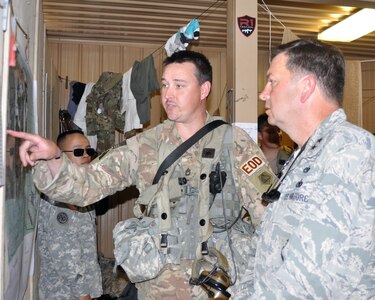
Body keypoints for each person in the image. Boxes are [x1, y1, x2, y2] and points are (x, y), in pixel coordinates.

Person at [7, 50, 278, 299]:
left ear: (204, 89)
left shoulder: (234, 143)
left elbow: (269, 216)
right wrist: (54, 158)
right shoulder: (146, 145)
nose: (168, 94)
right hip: (158, 289)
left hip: (217, 287)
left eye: (179, 85)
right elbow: (88, 185)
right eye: (165, 84)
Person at [254, 38, 375, 299]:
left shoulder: (349, 152)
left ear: (306, 87)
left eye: (272, 81)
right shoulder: (305, 155)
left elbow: (306, 283)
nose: (263, 93)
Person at [37, 129, 103, 300]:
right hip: (66, 294)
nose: (86, 155)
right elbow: (67, 260)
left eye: (89, 150)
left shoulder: (82, 194)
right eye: (78, 151)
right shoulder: (57, 201)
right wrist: (84, 295)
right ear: (62, 157)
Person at [257, 112, 292, 177]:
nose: (277, 134)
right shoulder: (250, 158)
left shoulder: (291, 156)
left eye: (278, 130)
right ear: (260, 135)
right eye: (270, 131)